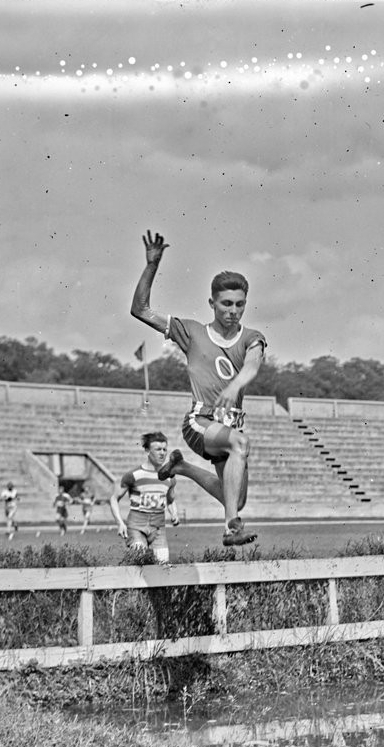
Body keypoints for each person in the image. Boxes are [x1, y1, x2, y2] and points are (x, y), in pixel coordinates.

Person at [129, 228, 266, 548]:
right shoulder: (191, 332)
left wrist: (235, 386)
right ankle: (231, 528)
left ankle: (182, 467)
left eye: (240, 305)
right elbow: (140, 310)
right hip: (199, 422)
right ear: (212, 303)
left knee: (235, 498)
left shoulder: (252, 337)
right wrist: (151, 266)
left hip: (228, 426)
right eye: (226, 304)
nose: (233, 311)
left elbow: (252, 365)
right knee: (240, 444)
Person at [109, 431, 180, 563]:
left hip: (158, 529)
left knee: (162, 566)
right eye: (158, 449)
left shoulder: (170, 478)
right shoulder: (134, 475)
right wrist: (120, 523)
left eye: (164, 449)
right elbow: (114, 499)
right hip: (136, 527)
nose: (162, 453)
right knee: (140, 563)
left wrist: (174, 513)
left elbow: (170, 500)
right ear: (147, 450)